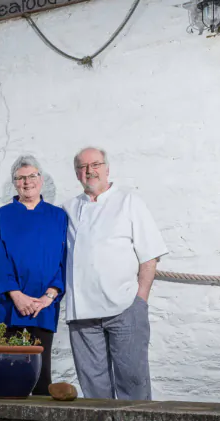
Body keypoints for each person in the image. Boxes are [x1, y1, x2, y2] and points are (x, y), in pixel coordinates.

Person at [64, 147, 168, 401]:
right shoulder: (67, 209)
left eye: (95, 164)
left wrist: (139, 300)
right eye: (83, 167)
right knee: (94, 393)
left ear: (107, 168)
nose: (90, 171)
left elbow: (150, 255)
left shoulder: (129, 201)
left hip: (125, 309)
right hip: (83, 315)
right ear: (77, 174)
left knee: (133, 387)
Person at [0, 155, 67, 396]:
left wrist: (48, 297)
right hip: (9, 307)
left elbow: (65, 260)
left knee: (41, 378)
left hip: (43, 308)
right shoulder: (2, 215)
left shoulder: (58, 216)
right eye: (20, 178)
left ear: (40, 180)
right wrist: (17, 296)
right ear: (14, 183)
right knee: (7, 376)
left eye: (32, 176)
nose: (27, 182)